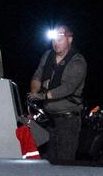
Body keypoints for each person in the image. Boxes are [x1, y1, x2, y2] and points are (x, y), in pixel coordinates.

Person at [28, 24, 87, 161]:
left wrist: (43, 96)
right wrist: (34, 93)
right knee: (47, 159)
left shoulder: (78, 62)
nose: (56, 43)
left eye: (60, 39)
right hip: (49, 119)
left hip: (68, 121)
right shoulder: (48, 55)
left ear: (70, 39)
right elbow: (38, 75)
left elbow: (68, 88)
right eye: (53, 40)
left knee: (64, 161)